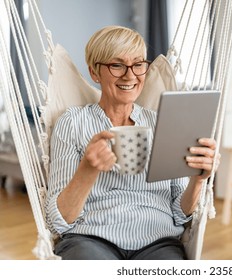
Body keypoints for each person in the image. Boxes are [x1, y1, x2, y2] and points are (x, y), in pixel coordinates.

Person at [45, 25, 220, 260]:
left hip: (158, 241)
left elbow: (180, 212)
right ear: (95, 72)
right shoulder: (72, 122)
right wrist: (88, 168)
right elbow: (58, 221)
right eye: (117, 65)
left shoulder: (164, 123)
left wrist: (198, 180)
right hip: (90, 239)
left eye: (138, 64)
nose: (130, 75)